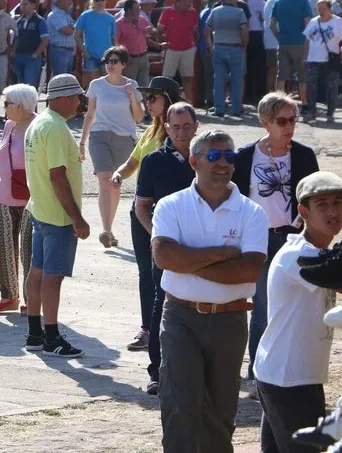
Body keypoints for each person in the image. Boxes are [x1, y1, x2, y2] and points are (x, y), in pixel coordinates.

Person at [152, 129, 268, 452]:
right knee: (180, 403)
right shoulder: (171, 206)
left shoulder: (252, 212)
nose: (223, 163)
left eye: (229, 156)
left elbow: (248, 271)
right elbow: (164, 257)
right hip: (180, 317)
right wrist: (223, 254)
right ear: (194, 162)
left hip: (230, 321)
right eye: (214, 156)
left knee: (221, 409)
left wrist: (188, 261)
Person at [253, 172, 342, 453]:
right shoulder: (299, 255)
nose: (332, 211)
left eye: (337, 203)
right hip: (288, 380)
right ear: (303, 212)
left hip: (290, 375)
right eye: (322, 205)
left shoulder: (315, 252)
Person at [232, 92, 319, 398]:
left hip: (293, 238)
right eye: (282, 121)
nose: (289, 127)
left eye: (293, 120)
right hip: (259, 239)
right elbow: (236, 199)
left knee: (295, 305)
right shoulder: (246, 156)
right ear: (265, 122)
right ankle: (258, 375)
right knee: (262, 308)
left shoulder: (304, 155)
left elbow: (315, 196)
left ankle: (290, 370)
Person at [134, 102, 200, 395]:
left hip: (202, 246)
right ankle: (157, 371)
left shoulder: (208, 157)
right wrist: (158, 237)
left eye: (187, 126)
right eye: (176, 127)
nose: (182, 132)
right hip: (166, 248)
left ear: (196, 127)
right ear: (167, 128)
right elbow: (141, 206)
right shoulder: (154, 161)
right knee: (161, 303)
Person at [23, 73, 90, 357]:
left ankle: (34, 333)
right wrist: (77, 217)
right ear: (63, 98)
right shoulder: (57, 128)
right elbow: (58, 177)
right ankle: (51, 337)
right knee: (53, 277)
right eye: (76, 97)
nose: (79, 103)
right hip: (58, 215)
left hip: (39, 209)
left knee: (37, 271)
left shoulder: (38, 122)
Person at [111, 76, 180, 352]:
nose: (147, 103)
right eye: (146, 98)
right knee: (145, 272)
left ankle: (167, 328)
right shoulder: (151, 131)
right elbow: (133, 161)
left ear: (168, 99)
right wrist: (119, 173)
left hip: (164, 214)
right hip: (140, 211)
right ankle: (147, 328)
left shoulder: (177, 134)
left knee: (164, 270)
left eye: (153, 98)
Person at [80, 45, 145, 248]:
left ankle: (110, 227)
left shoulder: (132, 85)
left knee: (115, 184)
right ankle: (106, 230)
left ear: (123, 64)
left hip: (124, 138)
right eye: (107, 61)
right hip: (99, 136)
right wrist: (82, 142)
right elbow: (90, 114)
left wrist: (132, 96)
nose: (110, 64)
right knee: (104, 180)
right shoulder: (96, 85)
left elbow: (139, 117)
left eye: (114, 61)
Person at [0, 83, 38, 314]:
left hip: (32, 198)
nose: (4, 107)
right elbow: (3, 164)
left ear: (21, 106)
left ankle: (32, 298)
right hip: (6, 195)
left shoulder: (39, 126)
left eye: (7, 104)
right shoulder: (9, 125)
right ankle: (9, 296)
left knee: (29, 251)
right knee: (5, 248)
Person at [303, 0, 342, 123]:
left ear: (330, 9)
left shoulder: (337, 21)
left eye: (323, 9)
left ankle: (330, 113)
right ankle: (311, 112)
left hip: (331, 59)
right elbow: (307, 40)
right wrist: (305, 57)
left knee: (331, 87)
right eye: (319, 9)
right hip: (313, 59)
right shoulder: (313, 21)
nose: (321, 11)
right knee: (311, 86)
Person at [271, 0, 314, 113]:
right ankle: (305, 104)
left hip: (283, 43)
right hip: (300, 43)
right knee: (302, 75)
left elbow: (272, 24)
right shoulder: (303, 1)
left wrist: (279, 37)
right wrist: (307, 41)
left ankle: (278, 103)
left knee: (282, 75)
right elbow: (308, 23)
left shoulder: (278, 1)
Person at [205, 0, 249, 117]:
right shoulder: (239, 12)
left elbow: (206, 31)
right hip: (236, 48)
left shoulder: (215, 11)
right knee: (237, 80)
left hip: (218, 48)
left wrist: (211, 47)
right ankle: (236, 109)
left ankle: (219, 109)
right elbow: (244, 30)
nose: (236, 0)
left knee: (219, 80)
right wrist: (244, 45)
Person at [158, 0, 199, 102]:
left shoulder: (193, 12)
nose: (191, 1)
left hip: (188, 49)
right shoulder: (167, 12)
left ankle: (189, 104)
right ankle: (164, 104)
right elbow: (159, 30)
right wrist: (162, 43)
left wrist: (195, 46)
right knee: (166, 79)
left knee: (187, 78)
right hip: (171, 49)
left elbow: (195, 31)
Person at [75, 0, 116, 89]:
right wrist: (85, 51)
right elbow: (76, 34)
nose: (100, 2)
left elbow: (113, 38)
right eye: (97, 0)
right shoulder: (85, 16)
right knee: (92, 86)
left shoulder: (110, 18)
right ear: (93, 1)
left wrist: (114, 54)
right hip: (90, 56)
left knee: (109, 85)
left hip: (107, 57)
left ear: (105, 0)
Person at [12, 0, 49, 88]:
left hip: (32, 58)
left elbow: (45, 40)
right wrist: (13, 53)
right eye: (21, 4)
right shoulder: (19, 21)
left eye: (25, 4)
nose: (22, 7)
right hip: (19, 56)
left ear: (33, 5)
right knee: (19, 86)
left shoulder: (40, 21)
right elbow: (16, 38)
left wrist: (35, 54)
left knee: (29, 86)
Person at [115, 0, 152, 87]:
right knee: (130, 86)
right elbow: (115, 42)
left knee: (144, 86)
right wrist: (125, 56)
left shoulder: (142, 19)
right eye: (137, 8)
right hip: (130, 60)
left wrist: (152, 30)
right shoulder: (118, 24)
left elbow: (152, 31)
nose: (139, 10)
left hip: (143, 57)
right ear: (128, 10)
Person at [263, 0, 287, 94]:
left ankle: (274, 92)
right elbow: (272, 23)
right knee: (273, 68)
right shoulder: (274, 1)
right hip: (274, 41)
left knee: (275, 68)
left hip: (274, 40)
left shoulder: (275, 0)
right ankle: (271, 92)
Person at [196, 0, 220, 107]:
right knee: (210, 74)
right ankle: (211, 99)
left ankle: (207, 98)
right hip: (208, 47)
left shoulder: (204, 11)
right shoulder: (210, 12)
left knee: (207, 74)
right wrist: (209, 46)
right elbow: (206, 31)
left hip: (204, 47)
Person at [46, 0, 78, 77]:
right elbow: (67, 31)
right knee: (61, 79)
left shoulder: (66, 15)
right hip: (59, 51)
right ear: (62, 1)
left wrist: (72, 27)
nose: (71, 3)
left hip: (68, 51)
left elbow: (72, 28)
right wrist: (73, 27)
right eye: (69, 0)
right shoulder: (55, 14)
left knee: (67, 79)